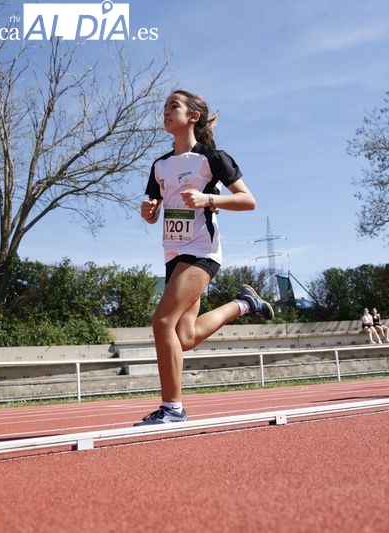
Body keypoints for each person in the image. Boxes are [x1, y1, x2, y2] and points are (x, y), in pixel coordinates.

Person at [134, 89, 274, 426]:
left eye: (174, 106)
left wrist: (208, 199)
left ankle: (172, 409)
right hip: (172, 253)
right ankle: (245, 304)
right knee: (185, 337)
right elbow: (154, 210)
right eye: (164, 107)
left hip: (201, 250)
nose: (166, 112)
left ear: (193, 117)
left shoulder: (212, 159)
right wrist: (149, 212)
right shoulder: (159, 165)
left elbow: (248, 200)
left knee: (162, 322)